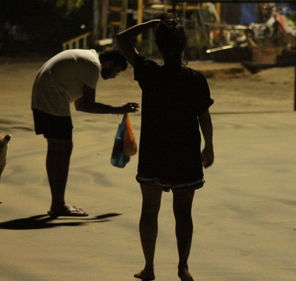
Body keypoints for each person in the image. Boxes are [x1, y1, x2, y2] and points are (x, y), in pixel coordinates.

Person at [116, 13, 214, 281]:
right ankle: (183, 266)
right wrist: (210, 145)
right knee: (183, 213)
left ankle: (149, 267)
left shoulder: (148, 72)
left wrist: (151, 24)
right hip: (184, 151)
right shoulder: (195, 79)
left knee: (149, 210)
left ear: (159, 46)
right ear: (183, 46)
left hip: (154, 151)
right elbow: (203, 115)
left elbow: (121, 39)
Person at [31, 49, 139, 217]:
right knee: (62, 149)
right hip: (52, 98)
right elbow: (86, 105)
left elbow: (80, 105)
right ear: (109, 63)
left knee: (57, 148)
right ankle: (58, 204)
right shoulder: (92, 65)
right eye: (116, 71)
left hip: (45, 96)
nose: (114, 76)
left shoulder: (87, 59)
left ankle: (57, 203)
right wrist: (118, 109)